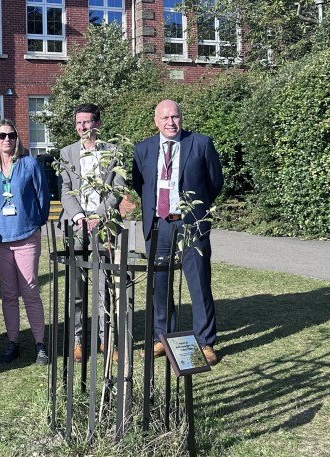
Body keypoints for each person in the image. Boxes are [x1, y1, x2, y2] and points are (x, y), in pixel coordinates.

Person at [132, 99, 223, 365]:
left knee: (198, 284)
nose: (171, 122)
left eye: (175, 117)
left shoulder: (201, 144)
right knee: (159, 287)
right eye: (165, 118)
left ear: (181, 118)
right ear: (156, 121)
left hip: (190, 225)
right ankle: (163, 338)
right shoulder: (143, 149)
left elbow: (214, 182)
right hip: (158, 225)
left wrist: (196, 212)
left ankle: (205, 342)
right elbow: (141, 185)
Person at [59, 104, 126, 362]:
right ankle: (77, 340)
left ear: (97, 124)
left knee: (104, 286)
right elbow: (65, 190)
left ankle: (105, 339)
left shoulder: (113, 152)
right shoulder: (67, 153)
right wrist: (79, 216)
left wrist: (98, 214)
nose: (82, 128)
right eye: (78, 123)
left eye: (87, 123)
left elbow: (117, 189)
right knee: (75, 287)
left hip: (104, 226)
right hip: (76, 226)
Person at [0, 119, 51, 365]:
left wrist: (34, 223)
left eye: (11, 135)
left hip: (26, 236)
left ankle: (40, 344)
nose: (7, 140)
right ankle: (13, 341)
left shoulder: (30, 163)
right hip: (0, 239)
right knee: (9, 293)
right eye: (2, 136)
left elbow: (43, 196)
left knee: (30, 290)